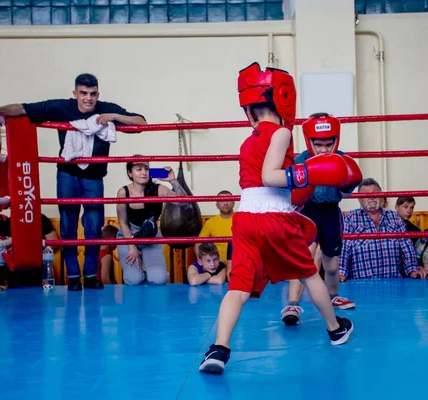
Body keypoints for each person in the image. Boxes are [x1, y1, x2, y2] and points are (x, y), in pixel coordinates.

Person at [199, 62, 358, 374]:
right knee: (310, 275)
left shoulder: (248, 140)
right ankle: (335, 328)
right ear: (284, 100)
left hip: (245, 219)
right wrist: (308, 171)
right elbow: (269, 177)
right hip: (274, 218)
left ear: (249, 108)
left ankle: (219, 349)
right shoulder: (283, 132)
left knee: (238, 288)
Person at [0, 73, 147, 291]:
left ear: (97, 94)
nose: (88, 98)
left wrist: (111, 115)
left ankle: (91, 275)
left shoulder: (105, 107)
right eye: (83, 93)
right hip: (67, 174)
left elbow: (141, 123)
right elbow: (24, 108)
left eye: (92, 94)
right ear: (75, 93)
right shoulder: (61, 107)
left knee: (93, 226)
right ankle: (73, 276)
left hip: (94, 176)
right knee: (68, 224)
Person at [281, 113, 360, 326]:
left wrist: (344, 183)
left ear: (336, 140)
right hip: (307, 211)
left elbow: (346, 194)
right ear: (309, 142)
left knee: (332, 265)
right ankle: (292, 303)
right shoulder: (301, 160)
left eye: (328, 143)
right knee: (304, 259)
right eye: (319, 144)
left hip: (331, 213)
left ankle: (333, 296)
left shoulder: (342, 158)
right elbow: (291, 190)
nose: (324, 149)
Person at [116, 161, 188, 286]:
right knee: (134, 281)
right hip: (128, 235)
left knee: (158, 280)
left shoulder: (158, 189)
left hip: (151, 235)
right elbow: (122, 221)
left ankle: (150, 274)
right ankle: (138, 275)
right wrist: (132, 247)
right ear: (130, 173)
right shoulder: (123, 192)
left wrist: (173, 181)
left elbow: (183, 203)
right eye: (139, 169)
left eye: (146, 168)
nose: (144, 172)